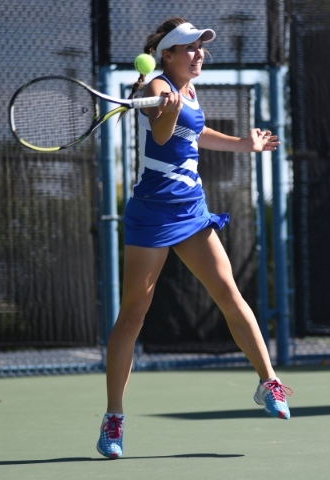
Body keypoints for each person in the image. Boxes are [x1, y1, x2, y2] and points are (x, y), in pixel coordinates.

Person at [96, 17, 293, 460]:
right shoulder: (160, 91)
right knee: (132, 315)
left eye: (201, 47)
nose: (199, 54)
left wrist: (246, 144)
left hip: (192, 209)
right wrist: (162, 106)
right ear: (166, 55)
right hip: (152, 213)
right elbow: (164, 132)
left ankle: (269, 382)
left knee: (229, 294)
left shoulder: (187, 89)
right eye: (189, 48)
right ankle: (114, 417)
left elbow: (195, 132)